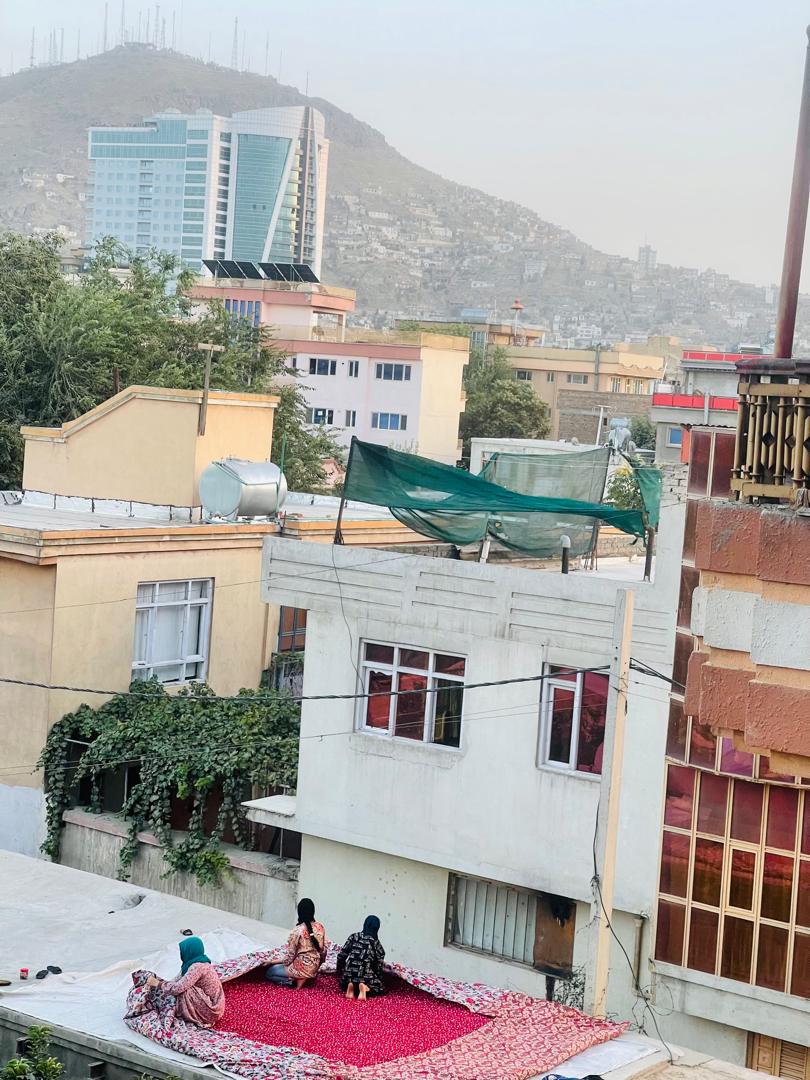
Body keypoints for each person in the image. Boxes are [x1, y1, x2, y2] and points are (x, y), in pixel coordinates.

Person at [145, 936, 224, 1028]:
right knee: (179, 985)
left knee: (184, 989)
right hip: (215, 1008)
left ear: (189, 951)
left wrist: (158, 984)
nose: (181, 954)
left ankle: (193, 1015)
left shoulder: (197, 967)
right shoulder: (197, 963)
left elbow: (178, 988)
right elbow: (177, 980)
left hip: (211, 1011)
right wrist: (161, 984)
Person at [265, 898, 327, 989]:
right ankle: (306, 977)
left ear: (299, 912)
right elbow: (323, 951)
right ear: (313, 911)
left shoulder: (297, 931)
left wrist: (271, 962)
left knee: (270, 972)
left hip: (300, 968)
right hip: (314, 969)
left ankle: (294, 981)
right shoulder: (320, 927)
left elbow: (289, 959)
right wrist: (317, 967)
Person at [337, 915, 386, 1001]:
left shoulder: (354, 936)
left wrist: (340, 970)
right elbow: (379, 965)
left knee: (343, 984)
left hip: (348, 973)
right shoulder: (376, 943)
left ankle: (350, 986)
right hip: (364, 973)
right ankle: (364, 987)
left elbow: (342, 955)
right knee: (381, 989)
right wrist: (379, 978)